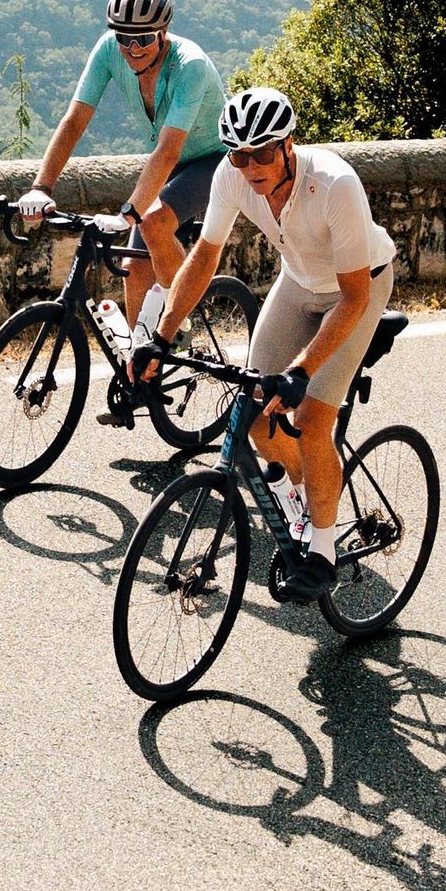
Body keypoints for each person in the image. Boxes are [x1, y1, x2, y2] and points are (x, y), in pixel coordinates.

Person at [134, 86, 397, 602]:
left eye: (261, 153)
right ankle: (303, 493)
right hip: (298, 282)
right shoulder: (231, 176)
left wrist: (300, 372)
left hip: (358, 287)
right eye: (238, 153)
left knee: (311, 419)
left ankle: (323, 551)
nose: (250, 165)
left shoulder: (334, 185)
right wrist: (159, 336)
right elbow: (203, 259)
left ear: (288, 145)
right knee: (254, 409)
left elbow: (352, 298)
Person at [12, 0, 226, 423]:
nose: (132, 48)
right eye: (123, 37)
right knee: (133, 266)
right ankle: (141, 371)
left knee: (150, 222)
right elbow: (75, 120)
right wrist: (41, 187)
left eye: (143, 38)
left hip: (212, 161)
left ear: (163, 34)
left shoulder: (191, 67)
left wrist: (130, 209)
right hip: (170, 164)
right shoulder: (109, 51)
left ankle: (177, 321)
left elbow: (168, 152)